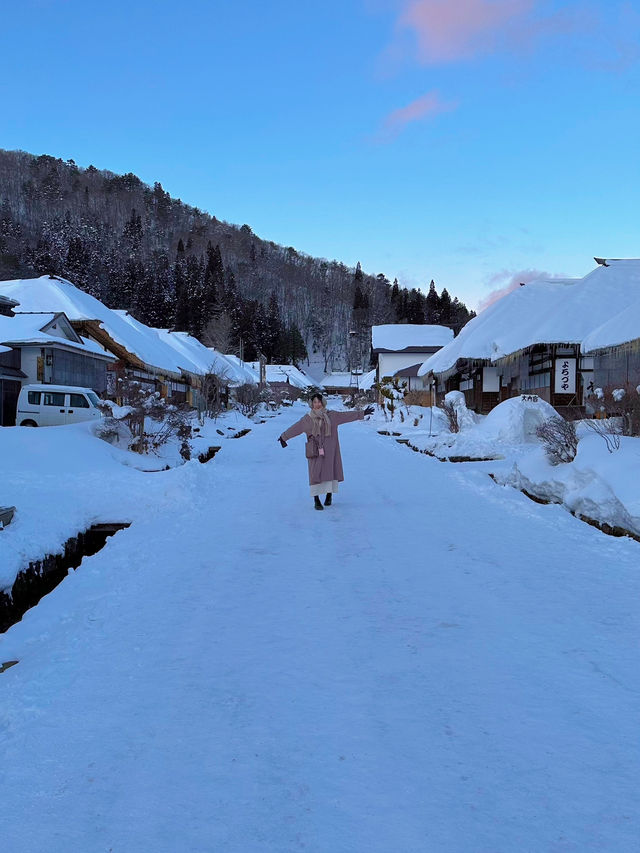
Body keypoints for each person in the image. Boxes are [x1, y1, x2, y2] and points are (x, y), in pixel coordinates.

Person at [278, 393, 374, 510]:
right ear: (311, 404)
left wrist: (362, 413)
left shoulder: (332, 416)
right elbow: (296, 428)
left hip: (330, 450)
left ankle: (329, 495)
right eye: (314, 402)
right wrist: (284, 437)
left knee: (330, 471)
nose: (317, 404)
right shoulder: (307, 419)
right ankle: (316, 499)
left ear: (323, 403)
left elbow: (346, 416)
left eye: (319, 402)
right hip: (314, 451)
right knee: (315, 474)